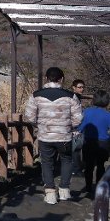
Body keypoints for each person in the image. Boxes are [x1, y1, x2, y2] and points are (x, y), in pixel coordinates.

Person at [24, 67, 83, 204]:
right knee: (67, 160)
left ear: (46, 78)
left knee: (47, 162)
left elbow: (29, 117)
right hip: (64, 136)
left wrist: (40, 125)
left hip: (45, 136)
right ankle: (64, 190)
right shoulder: (71, 96)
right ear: (61, 79)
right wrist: (69, 126)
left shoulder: (36, 95)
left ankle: (50, 193)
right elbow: (78, 119)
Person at [78, 90, 110, 196]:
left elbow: (81, 127)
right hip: (104, 142)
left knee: (89, 165)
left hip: (89, 141)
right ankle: (98, 186)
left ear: (94, 100)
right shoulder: (108, 115)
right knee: (101, 165)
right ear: (107, 102)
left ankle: (88, 187)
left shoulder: (87, 112)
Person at [70, 79, 86, 175]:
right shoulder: (73, 98)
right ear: (74, 87)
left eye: (83, 87)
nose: (82, 89)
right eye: (79, 87)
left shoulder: (78, 97)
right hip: (74, 127)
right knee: (75, 149)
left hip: (76, 126)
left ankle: (76, 168)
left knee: (76, 148)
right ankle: (76, 169)